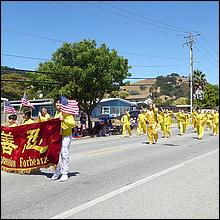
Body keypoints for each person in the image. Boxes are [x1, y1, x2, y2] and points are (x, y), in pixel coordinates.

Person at [51, 100, 76, 182]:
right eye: (57, 103)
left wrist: (63, 120)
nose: (58, 104)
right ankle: (57, 172)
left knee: (64, 154)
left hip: (66, 136)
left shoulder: (67, 113)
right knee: (56, 155)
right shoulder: (56, 113)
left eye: (59, 103)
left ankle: (65, 173)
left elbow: (72, 124)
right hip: (57, 137)